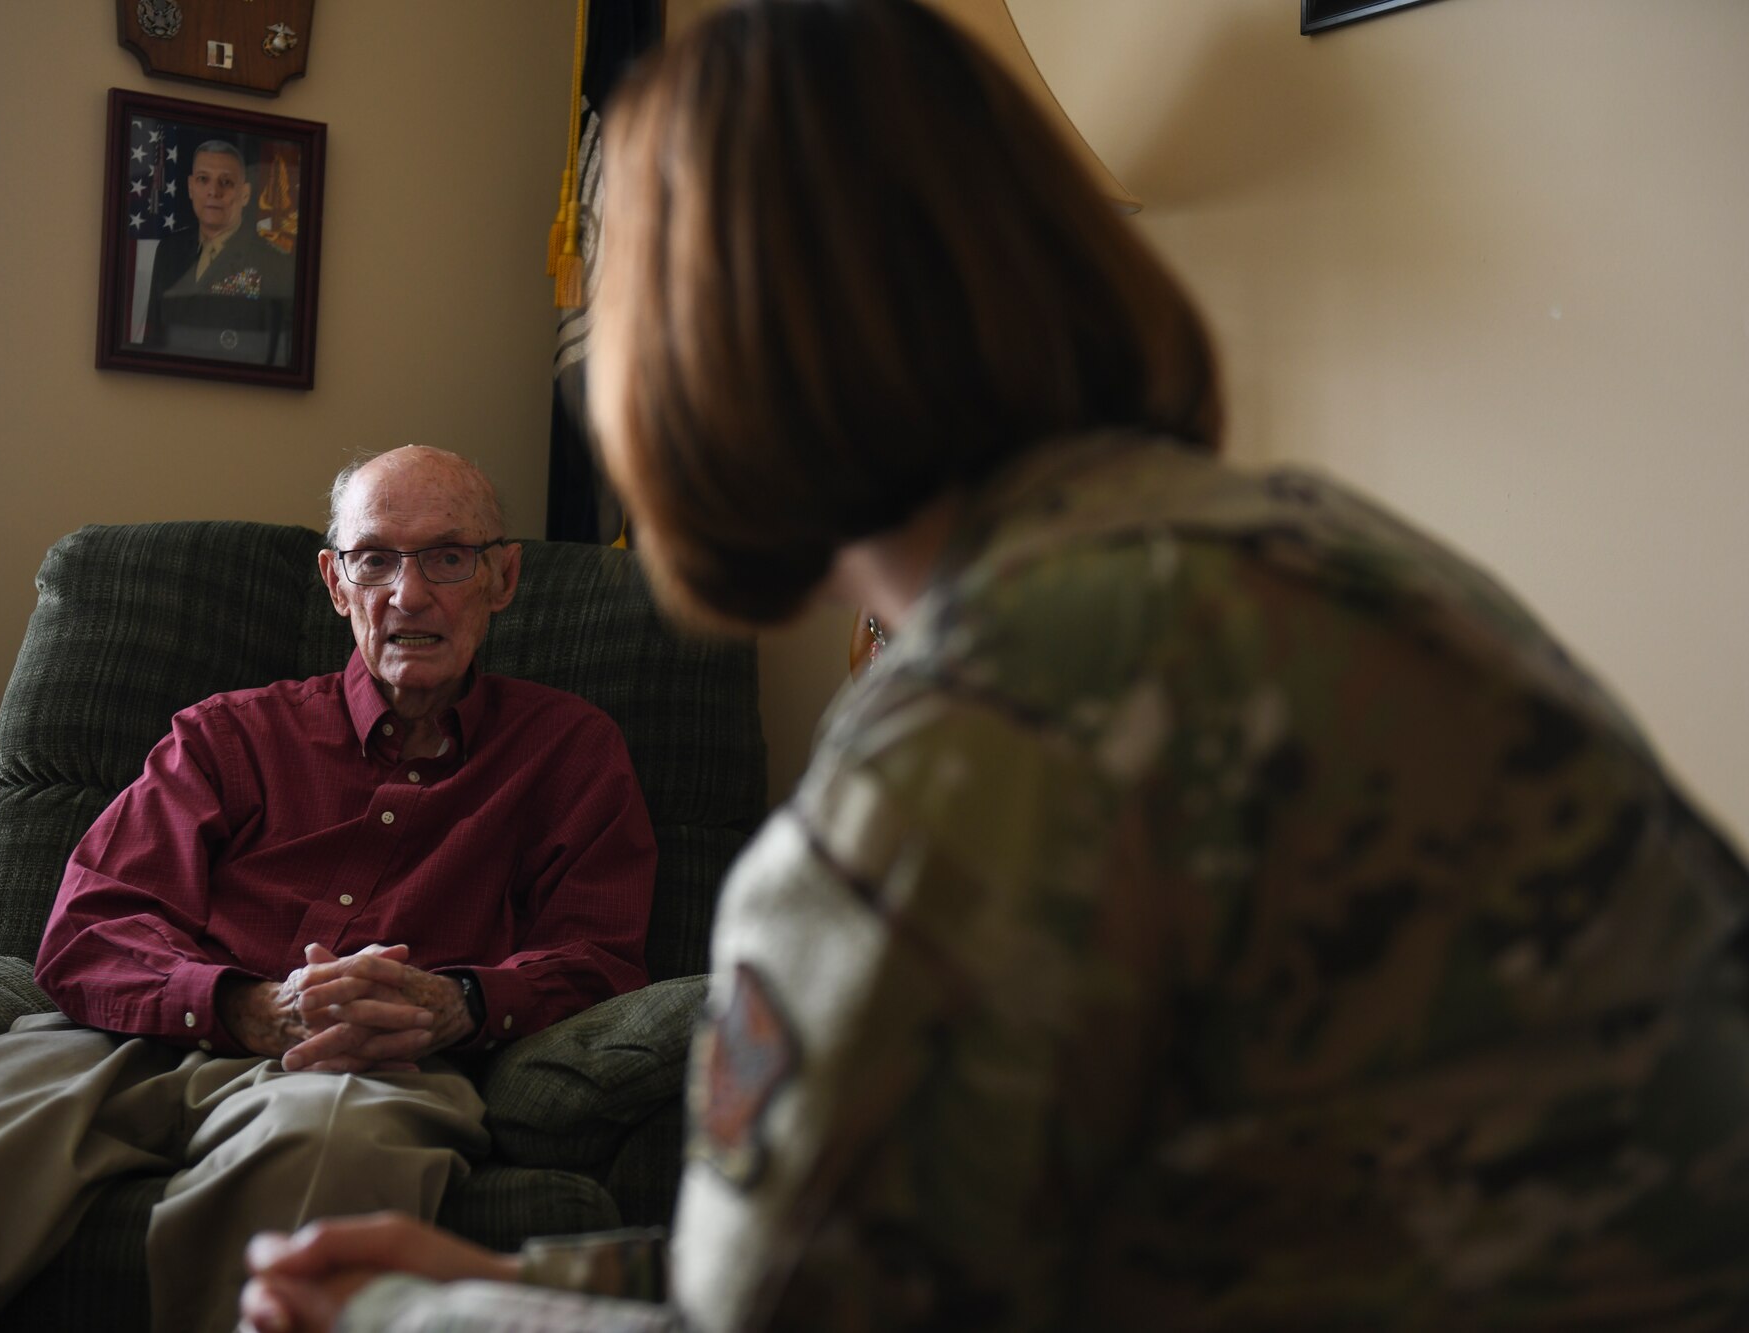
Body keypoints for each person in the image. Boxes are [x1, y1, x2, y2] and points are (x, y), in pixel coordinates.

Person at [238, 3, 1749, 1331]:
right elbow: (939, 1258)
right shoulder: (1322, 549)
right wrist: (515, 1286)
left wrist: (396, 1319)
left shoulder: (975, 742)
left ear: (706, 350)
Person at [0, 446, 657, 1333]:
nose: (408, 595)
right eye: (374, 558)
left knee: (315, 1180)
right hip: (130, 1042)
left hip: (375, 1065)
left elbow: (598, 956)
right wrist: (247, 1006)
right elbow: (89, 925)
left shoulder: (568, 752)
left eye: (447, 558)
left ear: (502, 577)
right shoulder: (229, 735)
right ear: (336, 583)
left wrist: (456, 1002)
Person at [140, 138, 297, 363]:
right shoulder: (169, 250)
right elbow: (155, 336)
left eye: (226, 182)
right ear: (191, 187)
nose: (214, 191)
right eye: (204, 179)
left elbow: (280, 352)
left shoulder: (273, 261)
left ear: (245, 194)